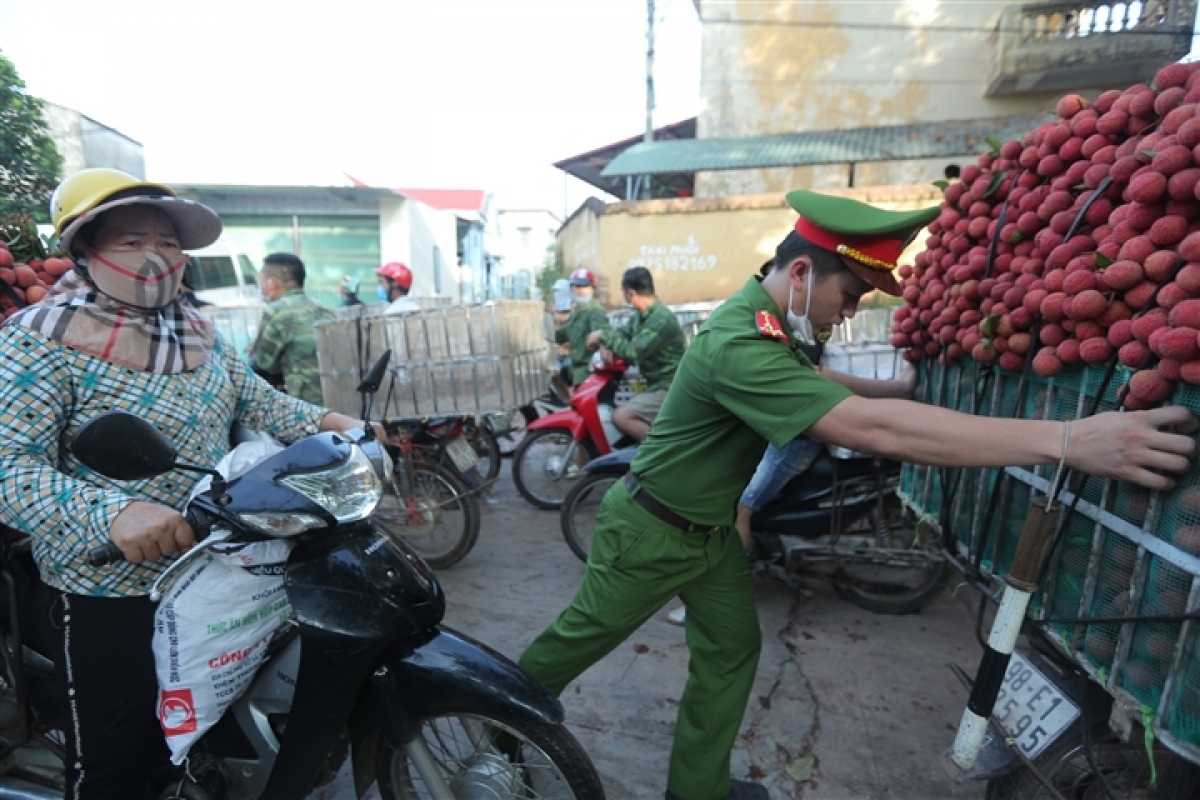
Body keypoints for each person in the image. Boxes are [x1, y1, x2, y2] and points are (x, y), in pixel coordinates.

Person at [516, 189, 1197, 800]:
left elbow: (839, 392)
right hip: (652, 531)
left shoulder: (779, 331)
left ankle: (697, 790)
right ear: (805, 273)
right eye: (851, 298)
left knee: (731, 651)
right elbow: (864, 428)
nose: (848, 317)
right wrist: (1068, 440)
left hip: (713, 533)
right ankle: (482, 729)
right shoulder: (738, 341)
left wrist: (901, 390)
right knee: (569, 648)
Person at [0, 167, 375, 799]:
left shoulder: (200, 332)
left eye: (169, 241)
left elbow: (260, 401)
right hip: (104, 585)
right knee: (117, 765)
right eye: (131, 239)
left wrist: (336, 423)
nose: (156, 255)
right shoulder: (37, 342)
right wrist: (110, 514)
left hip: (212, 568)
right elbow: (9, 464)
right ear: (84, 250)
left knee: (195, 739)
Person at [585, 266, 685, 441]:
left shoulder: (661, 319)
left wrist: (602, 336)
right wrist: (606, 344)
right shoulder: (641, 316)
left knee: (621, 416)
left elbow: (633, 351)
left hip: (672, 387)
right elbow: (621, 333)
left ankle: (659, 456)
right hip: (657, 385)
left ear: (630, 293)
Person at [250, 252, 335, 406]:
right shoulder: (327, 310)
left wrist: (255, 350)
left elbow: (265, 364)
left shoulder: (276, 311)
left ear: (272, 283)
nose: (260, 286)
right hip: (338, 399)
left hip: (305, 404)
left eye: (261, 280)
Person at [555, 268, 609, 386]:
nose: (579, 290)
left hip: (589, 373)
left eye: (584, 286)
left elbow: (602, 336)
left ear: (593, 288)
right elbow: (562, 334)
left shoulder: (594, 311)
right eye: (576, 286)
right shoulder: (578, 311)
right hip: (576, 371)